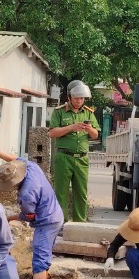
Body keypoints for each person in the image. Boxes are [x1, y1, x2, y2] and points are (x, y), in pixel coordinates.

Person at [0, 148, 63, 279]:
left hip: (46, 222)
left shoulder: (27, 194)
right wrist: (1, 154)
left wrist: (10, 218)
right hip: (55, 214)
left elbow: (29, 216)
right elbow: (15, 159)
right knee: (44, 257)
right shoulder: (31, 167)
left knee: (39, 261)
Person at [48, 80, 100, 223]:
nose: (79, 101)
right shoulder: (59, 112)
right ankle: (60, 222)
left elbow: (96, 135)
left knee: (81, 193)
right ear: (69, 97)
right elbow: (52, 133)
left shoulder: (88, 113)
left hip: (82, 159)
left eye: (82, 98)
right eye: (77, 98)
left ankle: (79, 224)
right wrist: (71, 127)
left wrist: (90, 129)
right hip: (64, 157)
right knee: (61, 192)